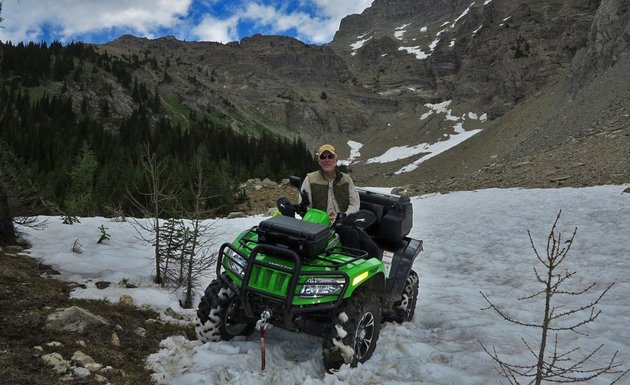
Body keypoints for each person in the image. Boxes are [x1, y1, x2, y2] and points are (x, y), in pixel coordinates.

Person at [300, 144, 381, 259]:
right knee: (351, 240)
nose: (327, 160)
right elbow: (305, 205)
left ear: (336, 159)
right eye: (323, 157)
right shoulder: (310, 179)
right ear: (319, 161)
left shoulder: (346, 179)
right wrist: (324, 218)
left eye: (330, 156)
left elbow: (354, 203)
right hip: (319, 226)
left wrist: (343, 216)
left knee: (372, 249)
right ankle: (353, 269)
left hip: (344, 222)